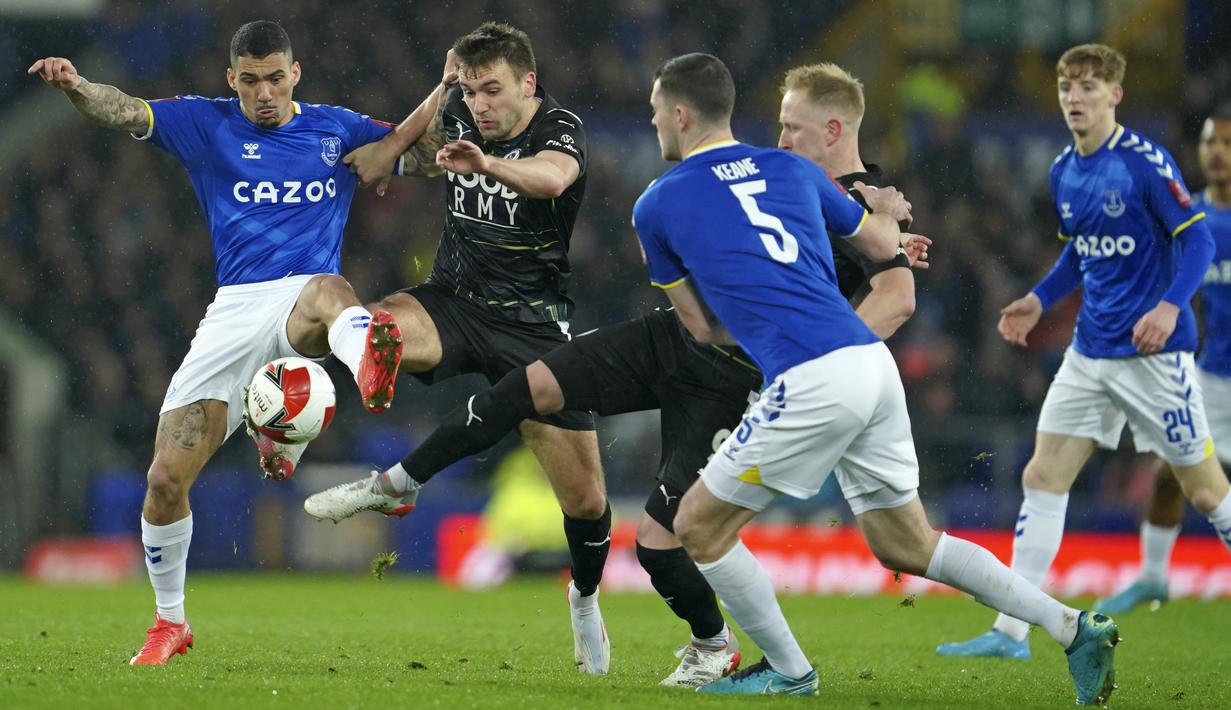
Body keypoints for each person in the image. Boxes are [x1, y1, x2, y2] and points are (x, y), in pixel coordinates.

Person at [305, 61, 926, 688]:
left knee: (657, 545)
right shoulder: (781, 174)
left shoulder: (846, 194)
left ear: (834, 129)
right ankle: (401, 480)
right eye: (782, 125)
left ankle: (716, 645)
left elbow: (891, 291)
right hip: (672, 337)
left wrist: (883, 247)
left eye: (793, 126)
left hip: (727, 376)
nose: (782, 137)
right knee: (527, 387)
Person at [636, 53, 1117, 704]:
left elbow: (698, 327)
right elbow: (882, 244)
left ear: (679, 114)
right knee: (907, 543)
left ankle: (789, 671)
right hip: (870, 363)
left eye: (655, 111)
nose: (652, 122)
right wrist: (889, 212)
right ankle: (1073, 628)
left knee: (696, 524)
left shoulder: (659, 202)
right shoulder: (791, 171)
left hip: (813, 375)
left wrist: (747, 308)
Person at [27, 20, 406, 665]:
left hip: (305, 298)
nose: (265, 93)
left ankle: (368, 359)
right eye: (251, 81)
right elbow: (124, 110)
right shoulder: (206, 123)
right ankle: (170, 622)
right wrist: (77, 86)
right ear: (232, 79)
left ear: (295, 74)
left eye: (276, 78)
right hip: (234, 311)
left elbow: (411, 150)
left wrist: (446, 117)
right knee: (164, 479)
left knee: (330, 288)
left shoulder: (337, 129)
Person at [311, 22, 614, 675]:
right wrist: (413, 126)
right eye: (470, 91)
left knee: (587, 503)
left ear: (528, 83)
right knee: (374, 324)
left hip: (533, 324)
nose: (479, 105)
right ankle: (316, 416)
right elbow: (419, 148)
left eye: (492, 90)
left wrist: (487, 164)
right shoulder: (456, 109)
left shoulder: (559, 127)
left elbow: (553, 179)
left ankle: (585, 598)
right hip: (452, 300)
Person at [937, 43, 1231, 662]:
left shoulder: (1144, 163)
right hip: (1089, 353)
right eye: (1067, 87)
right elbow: (1079, 251)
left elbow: (1198, 240)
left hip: (1154, 358)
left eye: (1089, 87)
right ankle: (1010, 633)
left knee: (1207, 493)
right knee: (1042, 476)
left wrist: (1170, 306)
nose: (1075, 98)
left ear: (1115, 95)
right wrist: (1039, 300)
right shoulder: (1062, 170)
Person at [1094, 107, 1231, 614]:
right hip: (1211, 377)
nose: (1217, 152)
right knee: (1168, 475)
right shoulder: (1188, 218)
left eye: (1228, 143)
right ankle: (1153, 578)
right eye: (1211, 141)